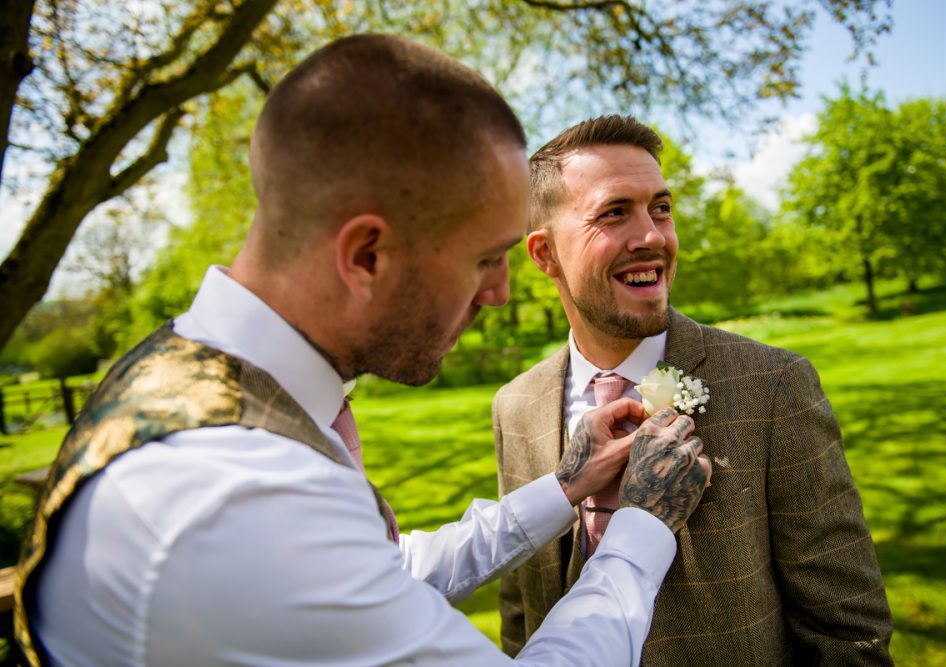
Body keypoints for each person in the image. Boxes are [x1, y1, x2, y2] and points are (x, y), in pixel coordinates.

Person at [13, 37, 713, 667]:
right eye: (485, 260)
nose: (501, 294)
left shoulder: (183, 370)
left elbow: (379, 572)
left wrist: (564, 485)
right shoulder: (235, 498)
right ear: (367, 254)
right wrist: (643, 527)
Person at [493, 115, 894, 665]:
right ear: (544, 254)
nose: (653, 237)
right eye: (614, 213)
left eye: (660, 208)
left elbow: (848, 631)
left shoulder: (774, 387)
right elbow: (520, 612)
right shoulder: (514, 406)